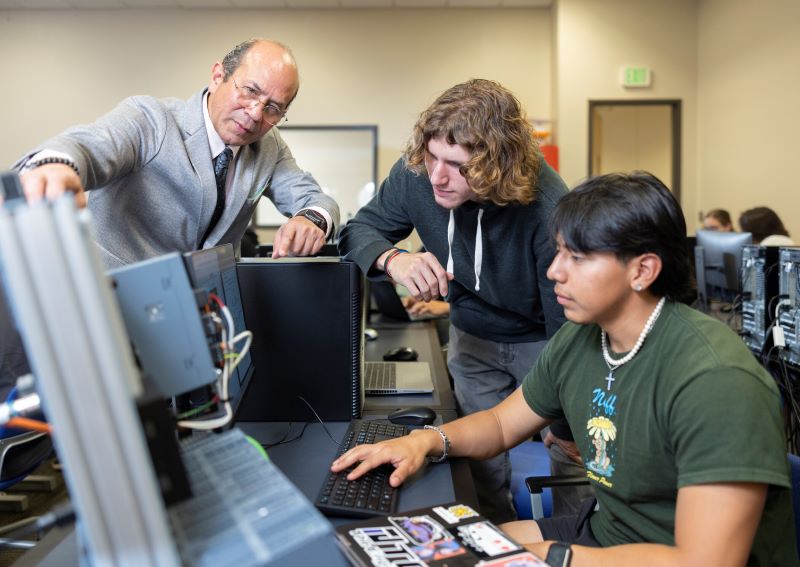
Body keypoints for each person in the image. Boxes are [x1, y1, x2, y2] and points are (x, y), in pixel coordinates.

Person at [332, 171, 796, 566]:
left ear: (643, 270)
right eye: (558, 253)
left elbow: (703, 561)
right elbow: (500, 422)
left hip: (660, 555)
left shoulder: (715, 381)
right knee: (445, 549)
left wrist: (558, 555)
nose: (554, 271)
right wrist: (427, 440)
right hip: (605, 531)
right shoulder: (582, 338)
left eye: (577, 257)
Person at [338, 79, 587, 523]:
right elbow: (358, 230)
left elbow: (568, 329)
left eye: (457, 166)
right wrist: (393, 258)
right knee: (480, 467)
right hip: (472, 333)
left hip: (543, 339)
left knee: (569, 453)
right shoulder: (418, 174)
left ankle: (573, 540)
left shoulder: (548, 208)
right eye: (432, 156)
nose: (436, 175)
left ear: (497, 166)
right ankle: (497, 537)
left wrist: (565, 421)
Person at [12, 38, 339, 268]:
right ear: (217, 76)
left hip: (190, 316)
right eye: (250, 91)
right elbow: (87, 144)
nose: (255, 114)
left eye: (273, 108)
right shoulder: (151, 119)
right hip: (103, 300)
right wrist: (55, 164)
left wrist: (311, 219)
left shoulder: (269, 147)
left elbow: (314, 198)